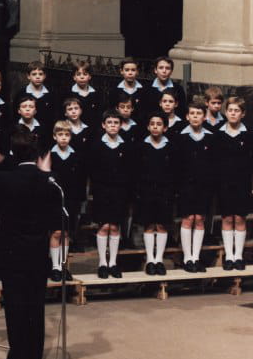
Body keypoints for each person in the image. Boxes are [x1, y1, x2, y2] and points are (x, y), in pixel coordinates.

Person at [0, 129, 59, 359]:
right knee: (35, 304)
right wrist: (46, 173)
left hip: (12, 251)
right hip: (38, 251)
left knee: (16, 305)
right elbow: (55, 210)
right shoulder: (47, 180)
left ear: (13, 153)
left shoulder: (5, 179)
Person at [216, 97, 253, 270]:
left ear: (242, 114)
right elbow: (213, 158)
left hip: (242, 182)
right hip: (224, 183)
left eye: (236, 111)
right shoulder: (219, 134)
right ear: (226, 112)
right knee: (227, 218)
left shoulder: (249, 135)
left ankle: (238, 256)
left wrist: (247, 170)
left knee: (240, 218)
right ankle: (229, 256)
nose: (233, 113)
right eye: (230, 110)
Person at [89, 110, 134, 279]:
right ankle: (102, 263)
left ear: (120, 125)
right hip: (102, 191)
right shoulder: (96, 145)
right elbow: (92, 169)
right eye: (109, 123)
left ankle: (113, 263)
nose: (113, 126)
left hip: (119, 191)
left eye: (116, 123)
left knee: (115, 227)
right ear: (103, 125)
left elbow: (130, 170)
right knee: (104, 227)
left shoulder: (126, 145)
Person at [175, 99, 216, 273]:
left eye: (198, 113)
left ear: (204, 117)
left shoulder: (211, 137)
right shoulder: (180, 137)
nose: (195, 116)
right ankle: (187, 258)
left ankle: (195, 257)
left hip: (204, 186)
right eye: (192, 113)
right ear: (187, 116)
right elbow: (176, 165)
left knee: (199, 219)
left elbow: (214, 164)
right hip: (185, 185)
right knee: (188, 219)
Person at [135, 112, 175, 276]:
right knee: (150, 225)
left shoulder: (171, 147)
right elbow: (136, 172)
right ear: (148, 127)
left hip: (165, 191)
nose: (155, 127)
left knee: (162, 225)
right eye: (152, 124)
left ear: (165, 128)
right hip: (146, 191)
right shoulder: (141, 147)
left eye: (159, 124)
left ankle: (159, 260)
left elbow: (176, 171)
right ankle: (150, 260)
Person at [49, 121, 86, 281]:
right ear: (54, 136)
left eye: (66, 135)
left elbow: (80, 179)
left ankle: (63, 265)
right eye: (60, 134)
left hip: (71, 199)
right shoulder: (50, 155)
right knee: (56, 232)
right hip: (54, 200)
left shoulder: (75, 156)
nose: (63, 138)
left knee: (66, 233)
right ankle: (55, 267)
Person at [14, 60, 57, 136]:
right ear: (28, 76)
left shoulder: (51, 94)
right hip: (24, 135)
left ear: (44, 76)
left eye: (40, 74)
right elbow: (15, 116)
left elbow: (54, 116)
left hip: (46, 134)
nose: (37, 77)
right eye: (34, 74)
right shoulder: (21, 94)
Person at [70, 61, 101, 130]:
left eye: (85, 74)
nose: (82, 77)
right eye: (78, 74)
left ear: (89, 76)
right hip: (73, 130)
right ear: (74, 77)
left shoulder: (95, 94)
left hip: (91, 130)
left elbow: (98, 116)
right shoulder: (69, 93)